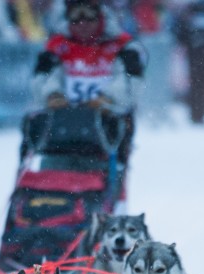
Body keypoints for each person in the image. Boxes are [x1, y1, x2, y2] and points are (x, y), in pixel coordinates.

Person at [21, 0, 146, 165]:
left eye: (89, 18)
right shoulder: (57, 46)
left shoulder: (122, 47)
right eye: (76, 19)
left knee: (104, 175)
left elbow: (131, 84)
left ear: (100, 17)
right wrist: (52, 94)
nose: (83, 24)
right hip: (62, 126)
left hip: (106, 126)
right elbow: (44, 80)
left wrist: (108, 99)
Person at [172, 0, 204, 123]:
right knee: (201, 86)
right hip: (201, 57)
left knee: (198, 86)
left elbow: (181, 33)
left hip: (198, 57)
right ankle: (199, 113)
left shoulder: (196, 14)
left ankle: (198, 113)